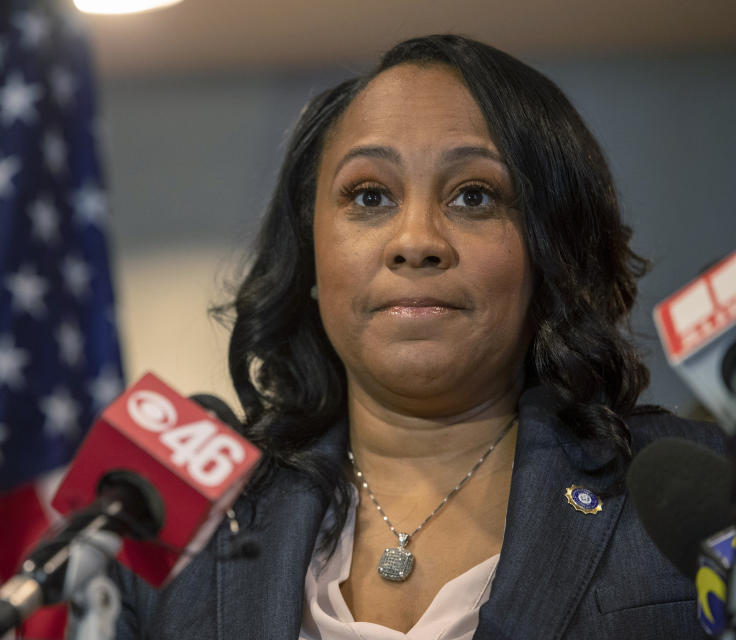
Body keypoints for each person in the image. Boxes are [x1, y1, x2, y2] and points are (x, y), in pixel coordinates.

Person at [109, 34, 725, 639]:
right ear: (311, 254)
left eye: (474, 196)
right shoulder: (175, 516)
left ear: (550, 250)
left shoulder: (697, 490)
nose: (415, 242)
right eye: (370, 195)